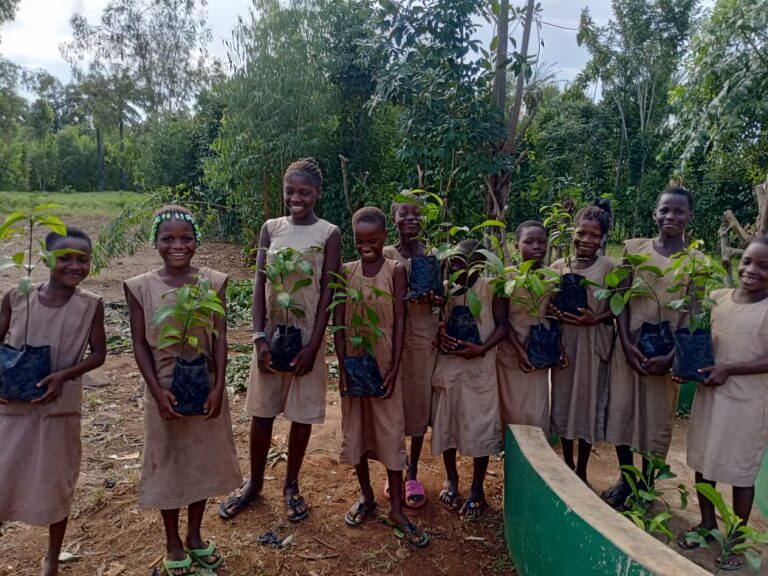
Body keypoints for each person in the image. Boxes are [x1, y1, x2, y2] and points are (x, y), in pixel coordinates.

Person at [220, 158, 341, 522]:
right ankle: (254, 483)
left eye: (304, 192)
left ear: (318, 193)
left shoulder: (329, 233)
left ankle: (291, 483)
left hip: (306, 337)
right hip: (273, 333)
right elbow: (259, 285)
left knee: (301, 414)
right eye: (291, 191)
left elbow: (327, 294)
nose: (296, 198)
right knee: (262, 411)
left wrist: (314, 345)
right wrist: (258, 336)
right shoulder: (270, 229)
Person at [125, 206, 241, 576]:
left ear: (197, 242)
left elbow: (220, 336)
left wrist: (220, 384)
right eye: (168, 238)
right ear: (156, 243)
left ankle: (194, 535)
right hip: (164, 389)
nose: (178, 245)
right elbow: (140, 343)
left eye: (186, 238)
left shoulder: (211, 282)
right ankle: (172, 540)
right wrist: (157, 392)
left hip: (203, 386)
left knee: (202, 461)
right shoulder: (140, 286)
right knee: (169, 461)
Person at [0, 227, 106, 576]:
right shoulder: (18, 296)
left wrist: (63, 375)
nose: (75, 266)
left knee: (56, 480)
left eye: (83, 260)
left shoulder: (90, 305)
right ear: (45, 259)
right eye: (65, 258)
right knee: (5, 475)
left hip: (59, 409)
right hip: (12, 408)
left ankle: (51, 555)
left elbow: (99, 354)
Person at [334, 207, 429, 547]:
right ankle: (366, 496)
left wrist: (394, 368)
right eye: (360, 241)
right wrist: (343, 367)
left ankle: (397, 508)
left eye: (372, 240)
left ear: (384, 238)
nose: (366, 247)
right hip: (356, 365)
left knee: (390, 434)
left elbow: (401, 320)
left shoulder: (395, 270)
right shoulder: (346, 271)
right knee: (357, 431)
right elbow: (339, 322)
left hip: (386, 364)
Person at [678, 237, 768, 571]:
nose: (751, 270)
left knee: (740, 472)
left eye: (763, 266)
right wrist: (686, 368)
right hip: (711, 395)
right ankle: (706, 522)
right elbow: (701, 339)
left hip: (748, 403)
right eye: (747, 261)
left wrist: (730, 369)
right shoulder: (718, 299)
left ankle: (735, 537)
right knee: (705, 460)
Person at [602, 186, 694, 508]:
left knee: (656, 423)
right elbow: (620, 297)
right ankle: (625, 479)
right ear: (655, 213)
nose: (671, 216)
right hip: (629, 350)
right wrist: (626, 343)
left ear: (689, 217)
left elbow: (692, 316)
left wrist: (672, 356)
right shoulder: (634, 249)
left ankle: (646, 486)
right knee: (622, 413)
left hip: (666, 354)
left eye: (679, 211)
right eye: (665, 210)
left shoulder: (694, 261)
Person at [433, 239, 508, 519]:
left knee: (480, 426)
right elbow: (438, 322)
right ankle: (451, 478)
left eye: (466, 263)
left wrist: (482, 348)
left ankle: (477, 488)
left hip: (480, 369)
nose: (458, 269)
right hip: (451, 367)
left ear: (480, 264)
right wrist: (440, 333)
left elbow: (503, 327)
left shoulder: (490, 288)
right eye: (453, 263)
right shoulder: (446, 290)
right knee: (448, 422)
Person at [549, 205, 615, 484]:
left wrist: (596, 318)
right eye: (581, 233)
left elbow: (619, 307)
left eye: (594, 235)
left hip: (593, 343)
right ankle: (567, 463)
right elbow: (549, 304)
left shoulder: (610, 268)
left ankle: (582, 470)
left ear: (603, 239)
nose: (587, 239)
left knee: (588, 404)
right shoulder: (558, 267)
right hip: (567, 342)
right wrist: (554, 312)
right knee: (563, 402)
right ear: (571, 233)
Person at [382, 199, 440, 508]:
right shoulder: (386, 255)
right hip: (393, 341)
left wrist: (435, 298)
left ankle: (412, 470)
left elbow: (440, 299)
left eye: (416, 213)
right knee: (394, 407)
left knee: (418, 404)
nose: (410, 218)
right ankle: (394, 469)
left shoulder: (431, 255)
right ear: (394, 218)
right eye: (403, 213)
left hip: (422, 339)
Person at [497, 220, 553, 429]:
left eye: (542, 241)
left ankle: (535, 458)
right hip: (511, 354)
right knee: (511, 411)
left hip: (539, 353)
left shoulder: (551, 278)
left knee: (537, 412)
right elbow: (502, 321)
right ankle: (511, 456)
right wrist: (520, 351)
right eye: (529, 241)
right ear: (516, 245)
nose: (537, 246)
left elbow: (553, 316)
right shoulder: (507, 277)